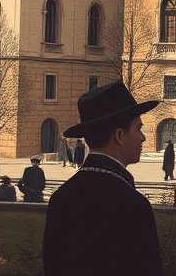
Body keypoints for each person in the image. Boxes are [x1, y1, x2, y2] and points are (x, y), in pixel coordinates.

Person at [44, 80, 164, 276]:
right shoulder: (132, 204)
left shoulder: (61, 197)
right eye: (138, 128)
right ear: (119, 136)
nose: (143, 138)